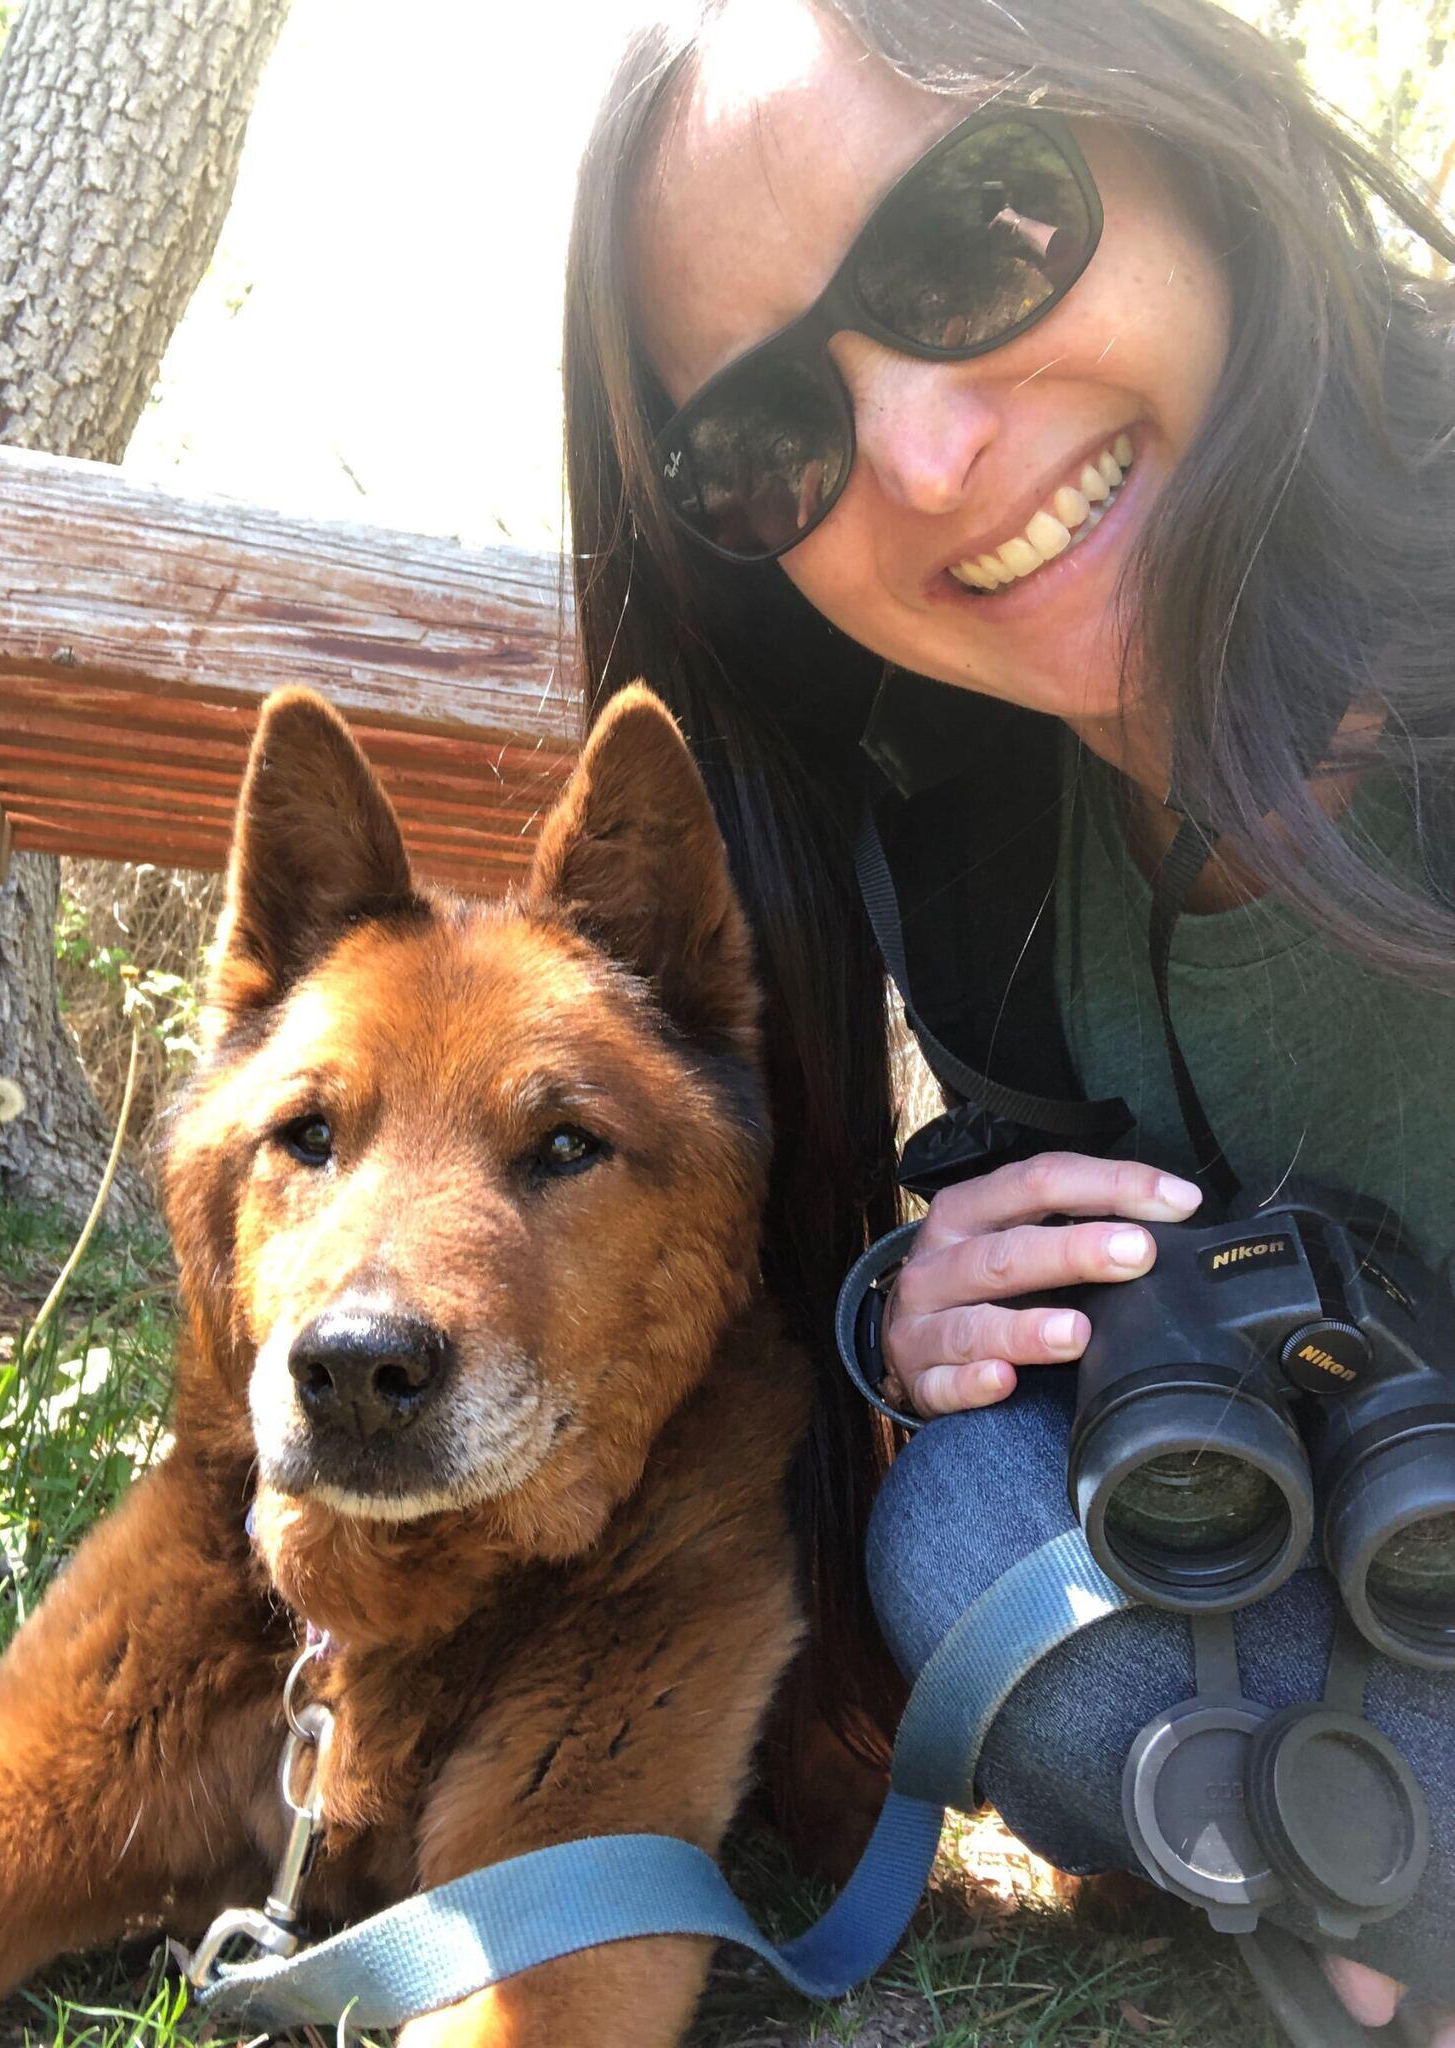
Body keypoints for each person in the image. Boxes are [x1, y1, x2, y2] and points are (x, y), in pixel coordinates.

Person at [560, 0, 1455, 2032]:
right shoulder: (957, 834)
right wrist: (932, 1296)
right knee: (965, 1524)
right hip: (1368, 1583)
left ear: (1177, 123)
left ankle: (1353, 1870)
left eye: (967, 243)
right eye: (769, 437)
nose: (926, 456)